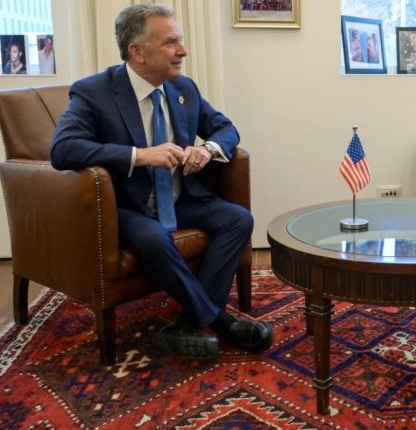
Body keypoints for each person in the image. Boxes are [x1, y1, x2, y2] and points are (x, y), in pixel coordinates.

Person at [51, 4, 273, 362]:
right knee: (154, 238)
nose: (183, 51)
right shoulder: (94, 92)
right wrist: (140, 155)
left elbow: (225, 128)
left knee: (238, 219)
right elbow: (63, 149)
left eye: (180, 41)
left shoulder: (183, 88)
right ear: (137, 51)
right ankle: (221, 321)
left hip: (181, 197)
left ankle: (187, 324)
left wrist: (208, 149)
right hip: (128, 208)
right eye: (171, 42)